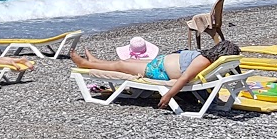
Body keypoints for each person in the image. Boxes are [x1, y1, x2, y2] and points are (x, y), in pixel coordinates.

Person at [69, 37, 215, 110]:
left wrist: (169, 95)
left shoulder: (204, 61)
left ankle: (86, 64)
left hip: (158, 72)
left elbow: (185, 77)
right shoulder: (208, 59)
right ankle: (95, 61)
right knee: (129, 60)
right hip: (158, 65)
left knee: (121, 65)